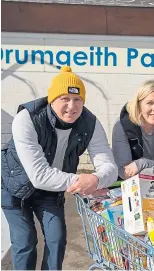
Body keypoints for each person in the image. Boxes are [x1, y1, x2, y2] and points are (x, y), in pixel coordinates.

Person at [1, 66, 118, 270]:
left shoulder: (90, 123)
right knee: (25, 242)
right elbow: (39, 175)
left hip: (50, 191)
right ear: (52, 99)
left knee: (56, 240)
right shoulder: (27, 118)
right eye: (64, 98)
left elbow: (109, 167)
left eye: (77, 100)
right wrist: (80, 181)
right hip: (15, 187)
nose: (71, 106)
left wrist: (96, 179)